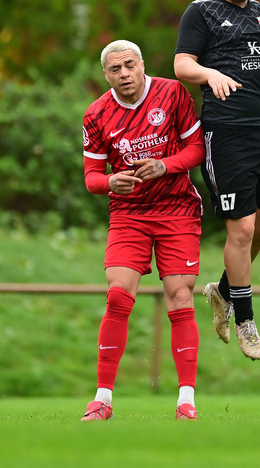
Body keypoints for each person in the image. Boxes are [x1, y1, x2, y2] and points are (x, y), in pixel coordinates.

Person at [174, 0, 260, 360]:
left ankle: (223, 292)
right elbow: (182, 63)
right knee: (240, 229)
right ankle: (245, 319)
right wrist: (209, 74)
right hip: (226, 133)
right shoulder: (202, 11)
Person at [80, 40, 205, 421]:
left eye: (129, 65)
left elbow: (198, 148)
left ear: (141, 64)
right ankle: (102, 399)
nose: (124, 74)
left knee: (180, 298)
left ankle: (186, 401)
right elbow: (91, 177)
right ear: (106, 74)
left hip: (177, 208)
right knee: (118, 295)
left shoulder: (172, 92)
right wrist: (110, 182)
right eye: (115, 69)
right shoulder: (96, 113)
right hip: (129, 213)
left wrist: (166, 166)